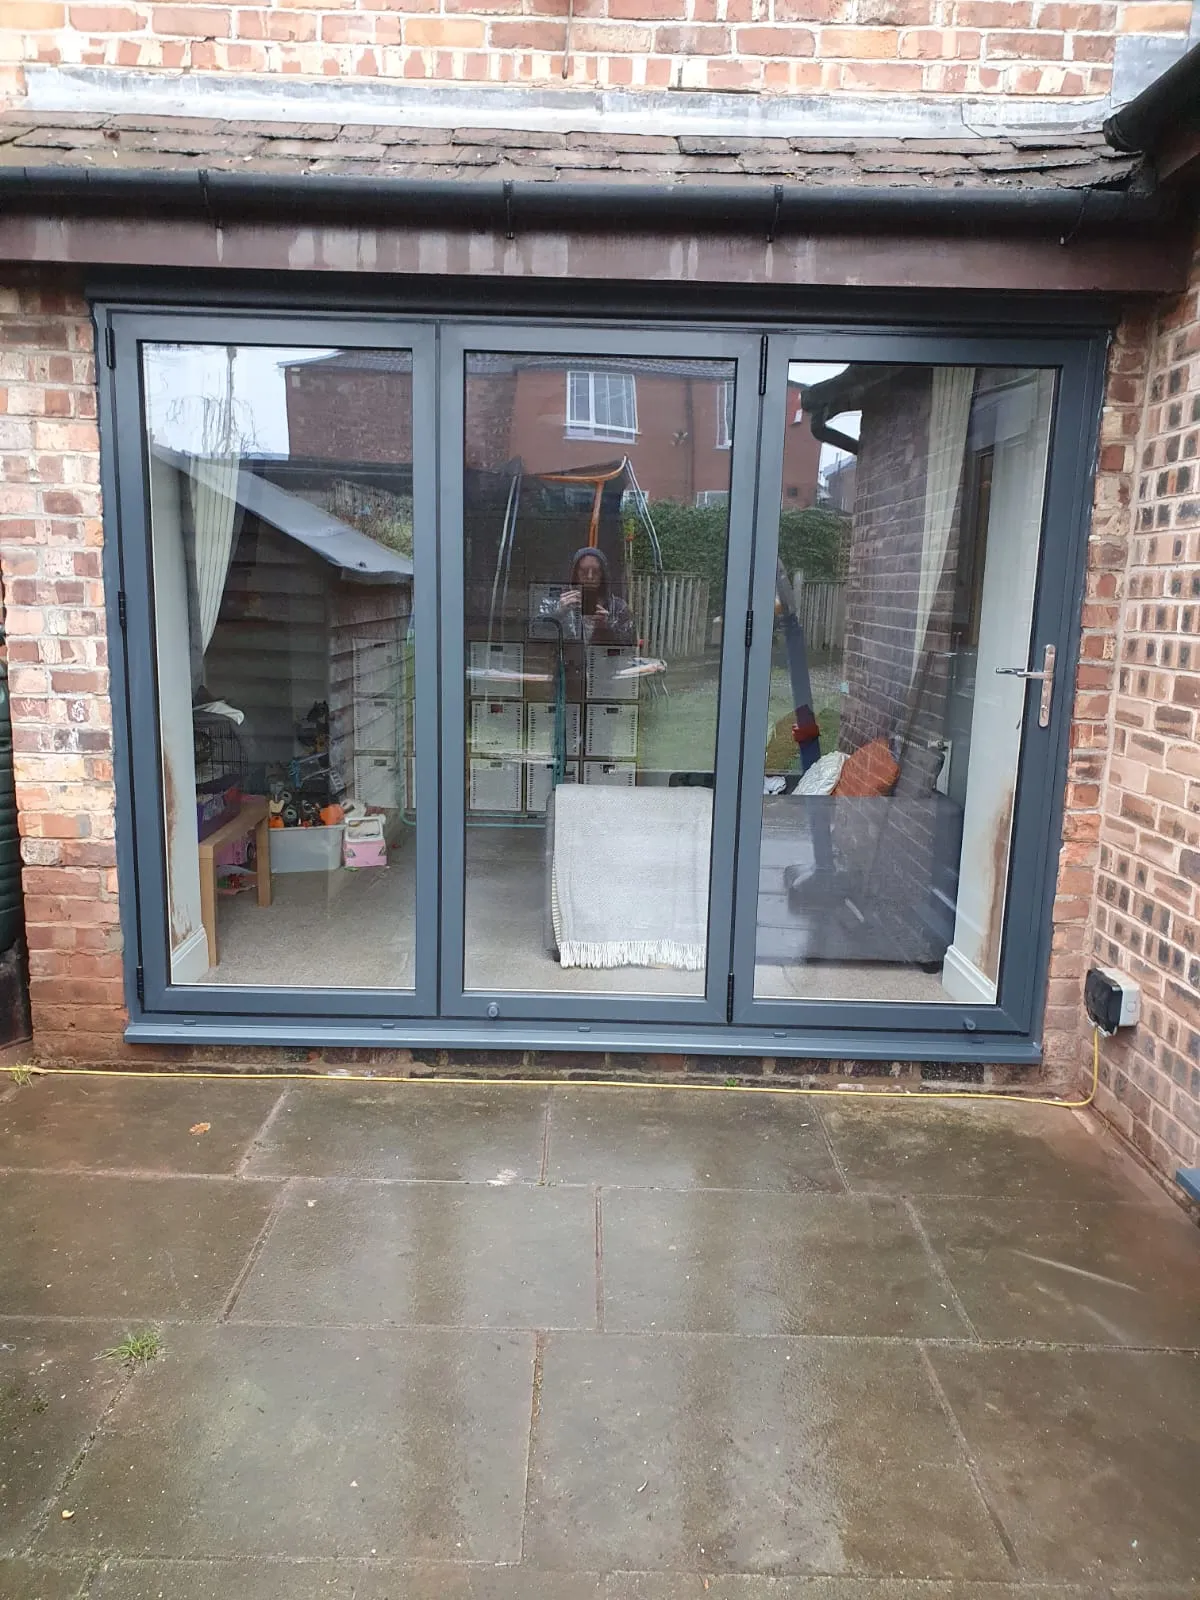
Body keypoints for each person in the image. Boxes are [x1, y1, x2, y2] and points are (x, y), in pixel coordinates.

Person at [541, 546, 635, 646]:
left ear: (602, 575)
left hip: (603, 661)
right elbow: (535, 633)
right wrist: (558, 614)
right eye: (584, 571)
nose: (590, 577)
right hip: (563, 661)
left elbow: (630, 646)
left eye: (596, 572)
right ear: (575, 573)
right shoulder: (554, 602)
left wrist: (606, 628)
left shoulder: (618, 607)